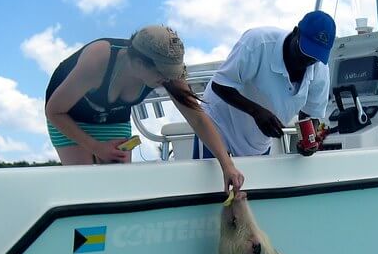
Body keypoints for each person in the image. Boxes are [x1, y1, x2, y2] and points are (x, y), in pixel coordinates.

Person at [45, 25, 244, 193]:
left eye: (172, 73)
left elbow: (198, 118)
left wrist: (227, 165)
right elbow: (54, 111)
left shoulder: (167, 70)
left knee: (117, 191)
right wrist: (96, 147)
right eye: (163, 74)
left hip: (113, 118)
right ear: (139, 63)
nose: (168, 79)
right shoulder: (97, 60)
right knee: (86, 189)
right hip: (67, 115)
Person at [195, 11, 335, 159]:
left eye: (314, 57)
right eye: (305, 51)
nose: (307, 61)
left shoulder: (321, 70)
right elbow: (219, 85)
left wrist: (308, 140)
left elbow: (311, 114)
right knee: (211, 182)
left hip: (256, 142)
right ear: (295, 32)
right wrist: (257, 112)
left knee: (252, 183)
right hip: (217, 124)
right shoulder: (257, 42)